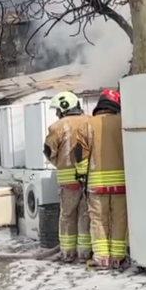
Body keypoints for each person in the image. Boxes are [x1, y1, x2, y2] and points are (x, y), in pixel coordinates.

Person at [80, 88, 128, 269]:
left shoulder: (88, 124)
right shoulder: (124, 121)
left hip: (97, 184)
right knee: (119, 219)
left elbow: (80, 153)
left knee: (99, 220)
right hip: (121, 183)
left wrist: (82, 175)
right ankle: (118, 257)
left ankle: (101, 258)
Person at [43, 91, 92, 263]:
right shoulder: (90, 122)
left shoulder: (57, 127)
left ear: (63, 108)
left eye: (58, 110)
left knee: (67, 216)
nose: (57, 114)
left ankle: (68, 253)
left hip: (67, 181)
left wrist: (59, 163)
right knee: (85, 215)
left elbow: (48, 151)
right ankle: (84, 252)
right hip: (89, 179)